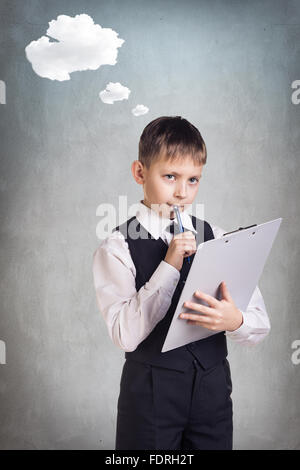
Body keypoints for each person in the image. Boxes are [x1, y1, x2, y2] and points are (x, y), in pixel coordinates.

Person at [92, 116, 270, 450]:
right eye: (170, 176)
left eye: (193, 180)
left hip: (213, 390)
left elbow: (259, 322)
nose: (181, 192)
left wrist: (236, 320)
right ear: (140, 173)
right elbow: (125, 335)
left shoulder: (215, 235)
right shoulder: (116, 247)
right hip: (150, 395)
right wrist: (169, 265)